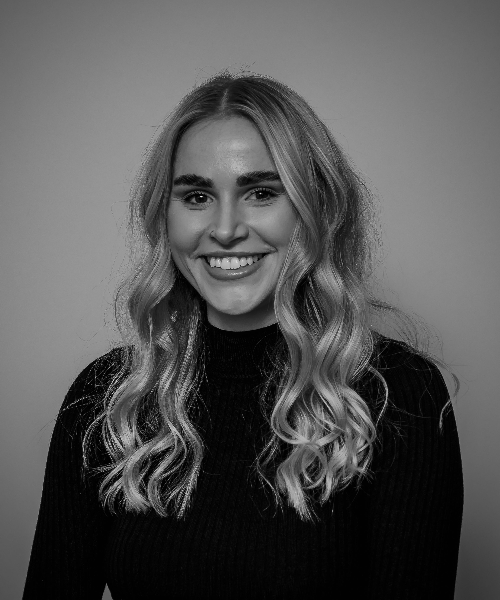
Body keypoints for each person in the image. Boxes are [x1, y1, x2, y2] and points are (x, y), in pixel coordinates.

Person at [23, 71, 464, 599]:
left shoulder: (399, 396)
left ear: (314, 207)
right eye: (196, 196)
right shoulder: (109, 398)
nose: (226, 229)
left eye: (260, 192)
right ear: (165, 215)